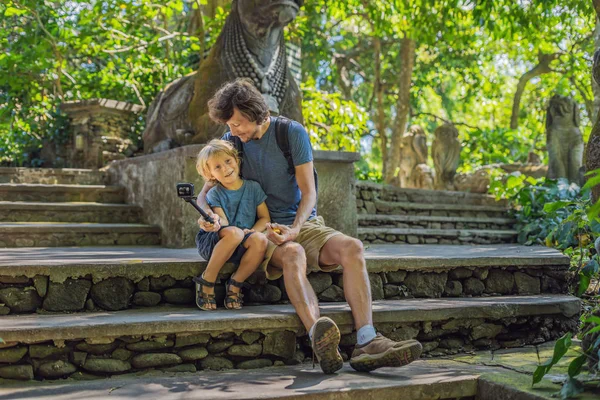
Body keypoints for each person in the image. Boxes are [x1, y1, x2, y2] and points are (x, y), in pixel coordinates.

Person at [197, 78, 422, 373]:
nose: (233, 130)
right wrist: (206, 215)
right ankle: (321, 339)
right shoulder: (232, 142)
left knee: (352, 247)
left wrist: (296, 228)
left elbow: (309, 192)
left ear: (255, 112)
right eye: (230, 125)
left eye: (238, 123)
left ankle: (367, 341)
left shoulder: (291, 133)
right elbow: (205, 189)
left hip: (304, 221)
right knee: (293, 255)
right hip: (261, 229)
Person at [194, 139, 271, 311]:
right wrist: (212, 221)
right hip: (215, 241)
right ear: (211, 174)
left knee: (260, 239)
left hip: (241, 240)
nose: (226, 169)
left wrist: (252, 231)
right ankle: (207, 279)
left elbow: (265, 218)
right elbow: (223, 223)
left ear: (236, 160)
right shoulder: (215, 193)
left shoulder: (253, 188)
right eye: (218, 167)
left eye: (228, 161)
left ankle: (235, 284)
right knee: (235, 233)